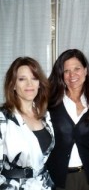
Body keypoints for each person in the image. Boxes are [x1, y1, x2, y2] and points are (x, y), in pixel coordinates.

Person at [47, 49, 89, 190]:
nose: (72, 75)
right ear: (61, 74)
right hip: (60, 178)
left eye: (77, 68)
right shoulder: (50, 103)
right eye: (66, 71)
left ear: (85, 71)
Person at [0, 57, 54, 190]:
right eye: (22, 79)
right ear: (12, 84)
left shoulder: (45, 115)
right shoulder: (3, 118)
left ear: (39, 83)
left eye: (34, 78)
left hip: (44, 185)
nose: (29, 84)